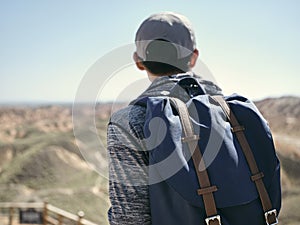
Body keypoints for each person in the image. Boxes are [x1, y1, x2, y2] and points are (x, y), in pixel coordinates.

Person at [107, 12, 222, 225]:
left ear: (139, 61)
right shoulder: (230, 110)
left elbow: (129, 219)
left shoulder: (129, 122)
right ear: (193, 57)